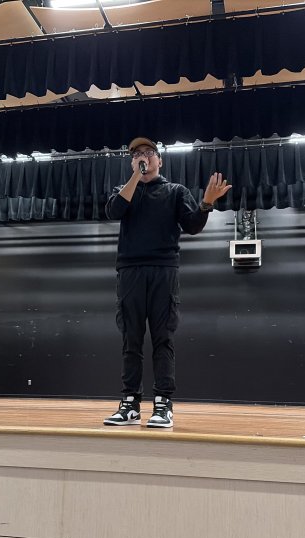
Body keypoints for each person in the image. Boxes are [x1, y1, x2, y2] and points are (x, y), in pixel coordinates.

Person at [103, 137, 231, 428]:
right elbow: (114, 212)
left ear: (160, 160)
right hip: (130, 271)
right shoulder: (123, 192)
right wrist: (136, 176)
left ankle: (163, 404)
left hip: (163, 270)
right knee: (130, 339)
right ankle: (130, 404)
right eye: (136, 154)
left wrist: (207, 203)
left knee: (163, 338)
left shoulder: (175, 192)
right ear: (131, 162)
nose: (142, 157)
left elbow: (193, 226)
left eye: (148, 153)